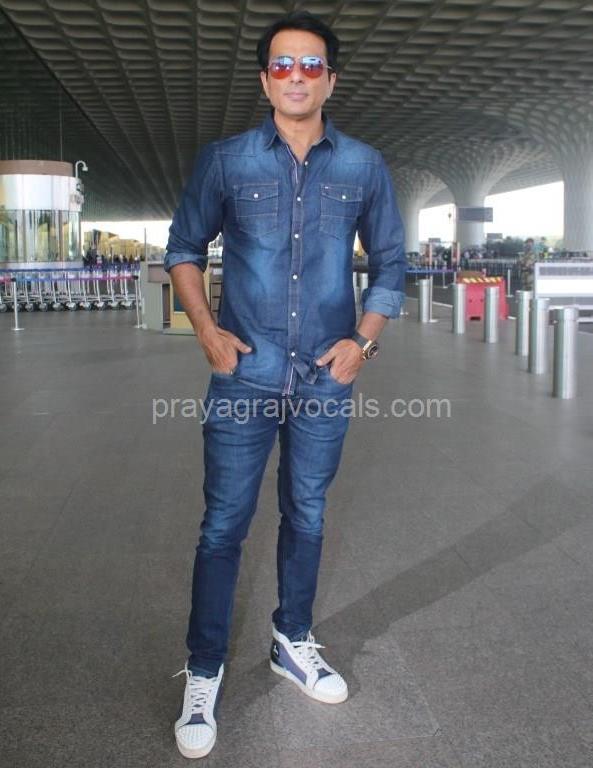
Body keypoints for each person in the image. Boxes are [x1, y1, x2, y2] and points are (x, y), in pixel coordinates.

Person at [164, 11, 406, 760]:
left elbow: (391, 263)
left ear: (330, 78)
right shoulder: (226, 161)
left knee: (307, 512)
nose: (295, 76)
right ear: (265, 80)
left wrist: (362, 343)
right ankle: (204, 669)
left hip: (324, 380)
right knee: (223, 524)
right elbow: (183, 247)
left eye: (310, 65)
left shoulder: (363, 166)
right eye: (281, 65)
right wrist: (207, 333)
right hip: (246, 373)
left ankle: (291, 640)